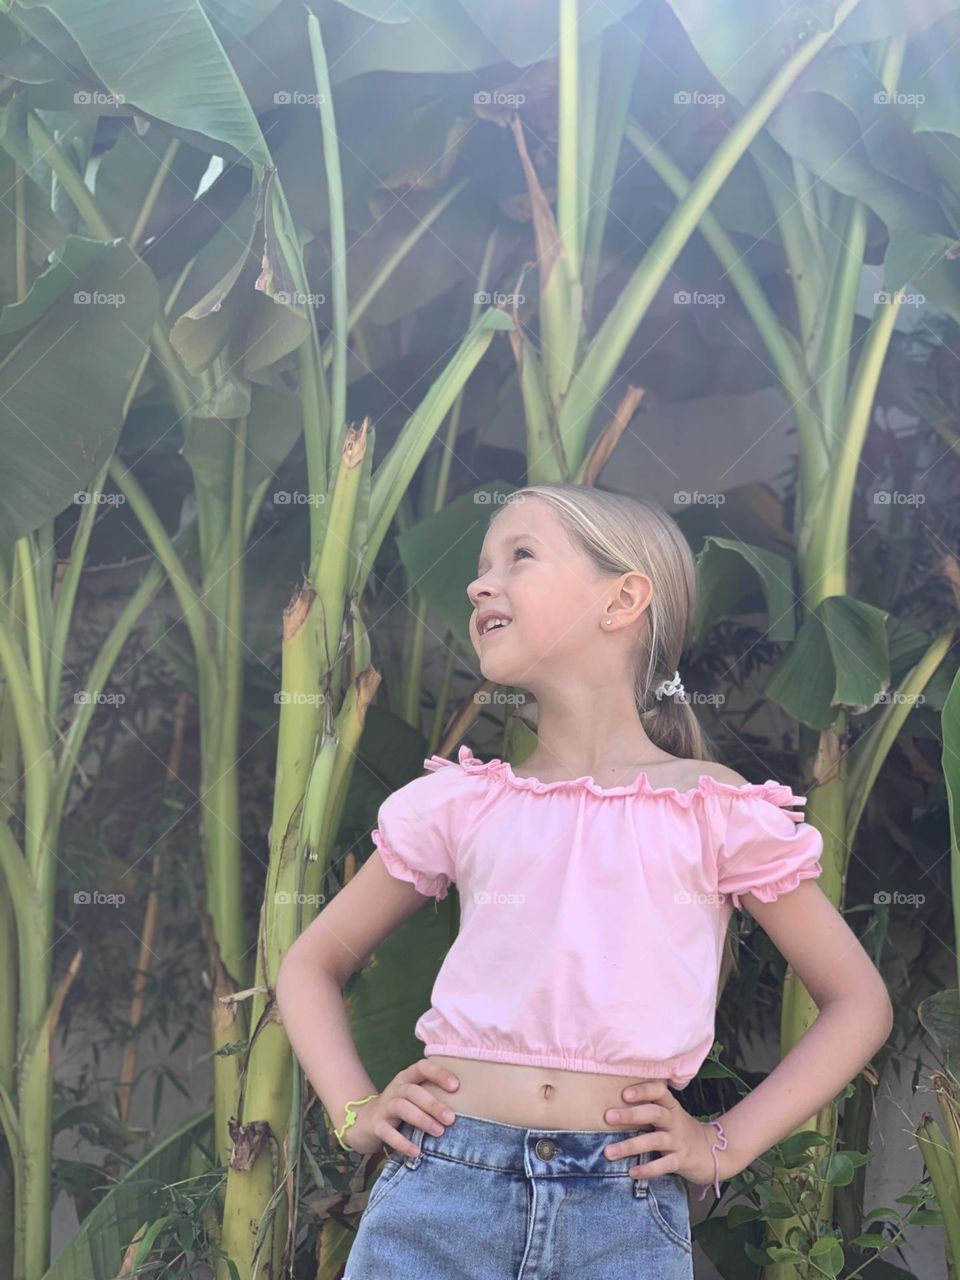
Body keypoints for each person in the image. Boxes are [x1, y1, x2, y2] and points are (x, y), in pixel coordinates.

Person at [276, 484, 894, 1279]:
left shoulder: (716, 809)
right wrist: (355, 1109)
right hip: (438, 1191)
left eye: (519, 556)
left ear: (624, 599)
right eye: (479, 565)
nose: (478, 583)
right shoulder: (460, 803)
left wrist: (721, 1144)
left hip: (620, 1210)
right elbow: (310, 961)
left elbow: (859, 1002)